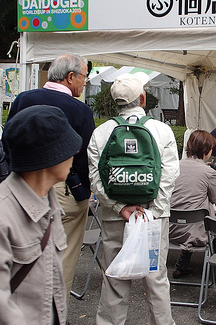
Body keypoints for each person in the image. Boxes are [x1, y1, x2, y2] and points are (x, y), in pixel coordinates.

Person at [88, 72, 179, 325]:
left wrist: (120, 208)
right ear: (143, 97)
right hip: (153, 216)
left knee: (114, 278)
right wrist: (152, 211)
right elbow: (169, 176)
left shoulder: (102, 132)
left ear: (114, 101)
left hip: (114, 216)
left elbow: (96, 180)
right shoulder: (161, 130)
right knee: (156, 278)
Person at [4, 53, 95, 302]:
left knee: (18, 250)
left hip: (19, 186)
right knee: (61, 256)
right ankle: (55, 309)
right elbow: (85, 156)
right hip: (65, 190)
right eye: (84, 76)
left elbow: (8, 141)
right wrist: (83, 192)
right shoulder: (80, 110)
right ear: (70, 77)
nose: (85, 82)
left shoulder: (23, 99)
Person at [0, 105, 83, 325]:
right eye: (68, 148)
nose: (74, 154)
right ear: (48, 157)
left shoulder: (49, 201)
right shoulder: (4, 215)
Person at [169, 130, 216, 285]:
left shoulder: (173, 167)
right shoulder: (208, 172)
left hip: (170, 229)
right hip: (193, 231)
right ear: (206, 151)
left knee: (194, 218)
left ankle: (181, 266)